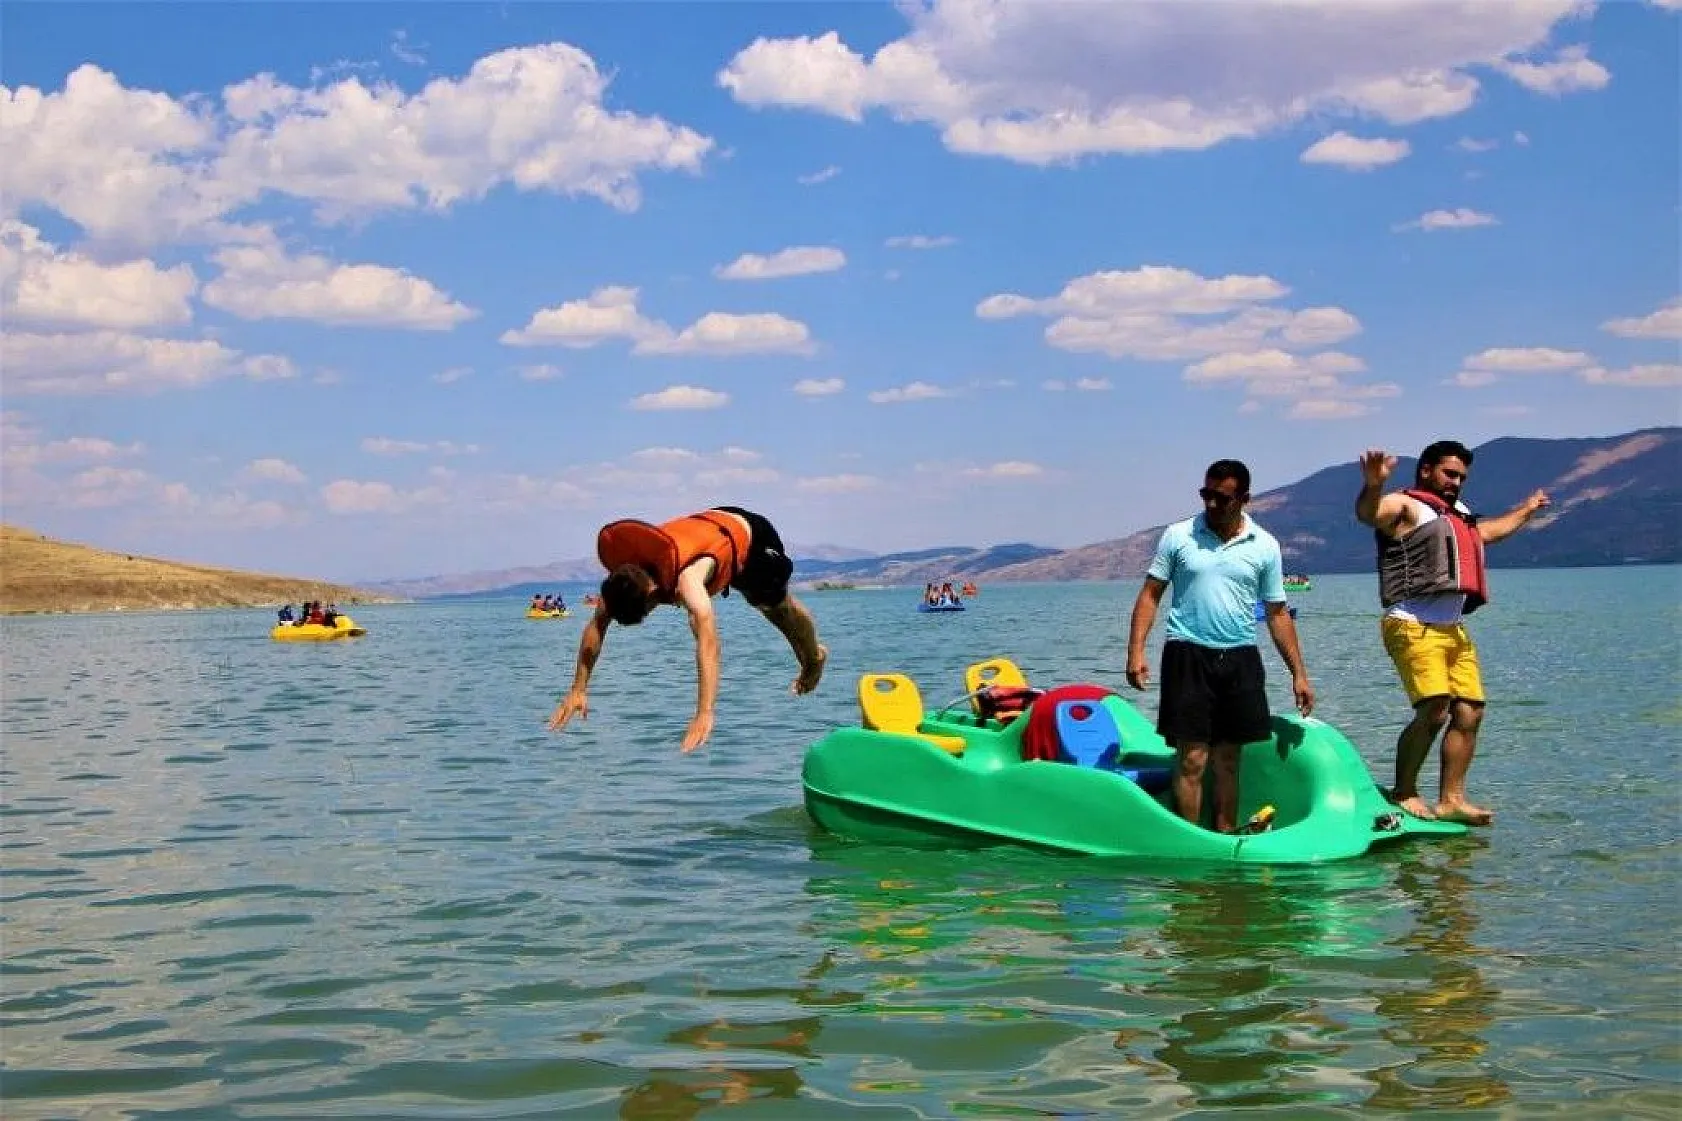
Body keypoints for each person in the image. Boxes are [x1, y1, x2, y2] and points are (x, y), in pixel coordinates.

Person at [1355, 441, 1550, 826]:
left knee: (1470, 711)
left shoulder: (1458, 513)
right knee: (1434, 709)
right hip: (1410, 623)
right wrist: (1373, 484)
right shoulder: (1405, 505)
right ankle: (1405, 791)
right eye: (1450, 474)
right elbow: (1369, 513)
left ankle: (1452, 799)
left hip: (1451, 628)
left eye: (1461, 477)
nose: (1456, 482)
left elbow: (1488, 533)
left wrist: (1526, 511)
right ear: (1426, 470)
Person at [1125, 459, 1315, 833]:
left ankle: (1225, 838)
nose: (1211, 504)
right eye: (1206, 494)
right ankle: (1188, 840)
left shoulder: (1264, 546)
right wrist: (1135, 651)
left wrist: (1300, 675)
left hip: (1241, 657)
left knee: (1229, 760)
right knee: (1192, 758)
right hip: (1187, 653)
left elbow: (1277, 614)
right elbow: (1150, 595)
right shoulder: (1179, 536)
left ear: (1244, 498)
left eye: (1222, 498)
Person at [546, 506, 828, 752]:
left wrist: (704, 712)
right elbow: (596, 625)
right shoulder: (624, 579)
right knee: (769, 609)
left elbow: (709, 644)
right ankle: (808, 659)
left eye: (647, 609)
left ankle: (814, 658)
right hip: (715, 525)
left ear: (651, 592)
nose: (652, 611)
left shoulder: (688, 580)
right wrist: (578, 688)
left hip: (753, 539)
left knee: (777, 610)